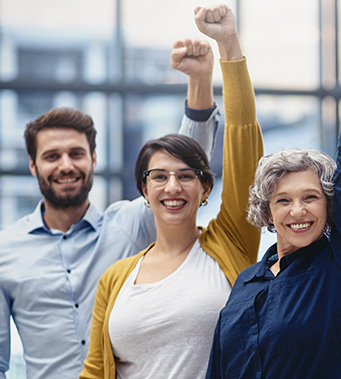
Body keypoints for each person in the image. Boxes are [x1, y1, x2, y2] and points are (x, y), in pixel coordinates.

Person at [0, 40, 220, 378]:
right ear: (32, 165)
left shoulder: (130, 225)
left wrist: (199, 80)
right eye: (52, 156)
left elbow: (184, 165)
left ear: (94, 159)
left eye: (76, 153)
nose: (66, 165)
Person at [204, 1, 341, 377]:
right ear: (267, 212)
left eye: (311, 197)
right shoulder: (247, 281)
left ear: (329, 206)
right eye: (283, 200)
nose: (298, 211)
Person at [79, 6, 263, 378]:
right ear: (144, 190)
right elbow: (96, 371)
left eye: (186, 176)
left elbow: (243, 137)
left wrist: (228, 44)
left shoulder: (229, 243)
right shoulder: (116, 278)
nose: (172, 186)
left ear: (205, 187)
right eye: (159, 177)